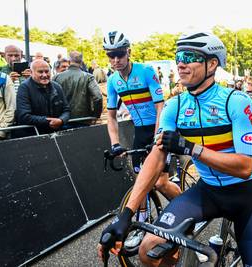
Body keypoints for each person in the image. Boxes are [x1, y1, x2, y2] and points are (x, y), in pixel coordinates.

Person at [97, 31, 252, 267]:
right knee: (148, 249)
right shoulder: (175, 105)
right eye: (178, 56)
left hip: (244, 194)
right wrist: (126, 216)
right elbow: (156, 157)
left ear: (212, 64)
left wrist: (192, 148)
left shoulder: (236, 101)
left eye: (190, 56)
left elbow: (244, 167)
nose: (180, 62)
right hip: (207, 191)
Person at [103, 30, 181, 247]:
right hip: (139, 132)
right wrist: (115, 144)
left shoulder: (145, 71)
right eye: (111, 55)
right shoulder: (112, 81)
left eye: (119, 54)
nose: (116, 60)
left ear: (128, 52)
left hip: (159, 127)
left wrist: (159, 134)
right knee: (141, 181)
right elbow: (111, 116)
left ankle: (187, 212)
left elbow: (160, 107)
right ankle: (141, 223)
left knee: (161, 182)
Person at [15, 59, 70, 136]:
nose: (44, 75)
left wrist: (61, 120)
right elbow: (24, 116)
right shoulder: (24, 88)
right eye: (40, 72)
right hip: (33, 135)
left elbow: (66, 110)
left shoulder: (57, 87)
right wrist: (48, 121)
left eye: (47, 71)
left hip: (56, 134)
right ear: (31, 72)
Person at [53, 51, 102, 122]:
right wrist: (95, 115)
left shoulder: (56, 77)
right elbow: (98, 97)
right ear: (82, 63)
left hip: (62, 120)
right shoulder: (88, 77)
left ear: (69, 62)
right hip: (84, 119)